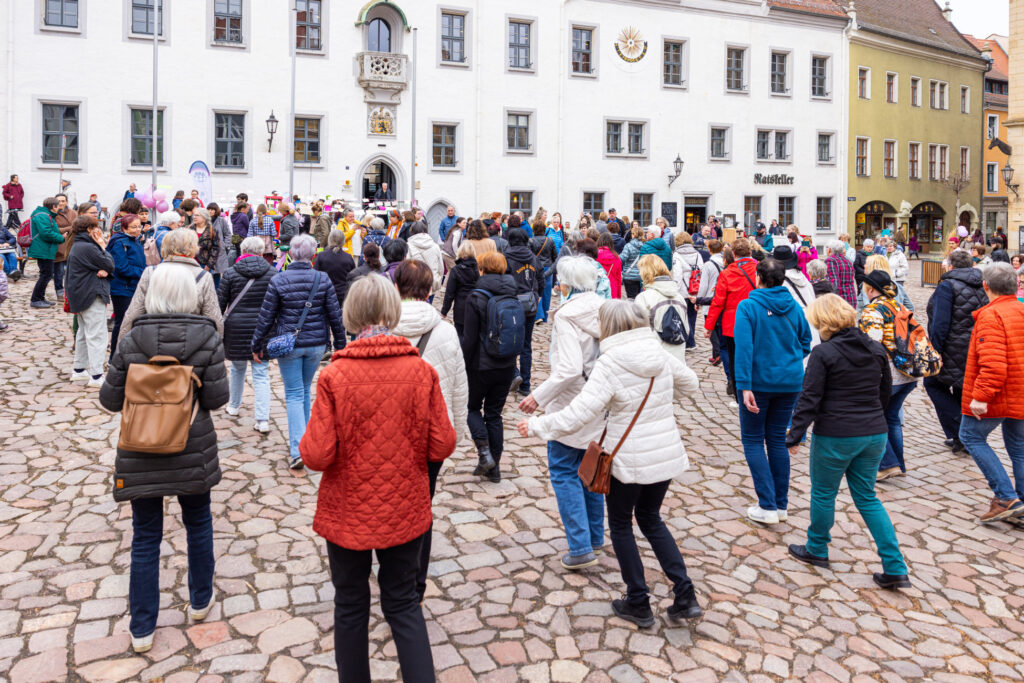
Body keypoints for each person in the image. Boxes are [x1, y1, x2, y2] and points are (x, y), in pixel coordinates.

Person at [299, 274, 453, 683]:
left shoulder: (335, 376)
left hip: (347, 508)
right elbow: (442, 444)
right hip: (404, 505)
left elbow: (316, 455)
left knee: (350, 604)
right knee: (403, 604)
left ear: (351, 315)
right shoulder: (420, 371)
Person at [519, 300, 702, 624]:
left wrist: (537, 426)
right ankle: (685, 594)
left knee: (620, 524)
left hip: (629, 459)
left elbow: (579, 414)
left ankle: (638, 600)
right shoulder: (658, 354)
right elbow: (691, 384)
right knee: (651, 519)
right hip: (664, 452)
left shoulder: (612, 362)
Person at [99, 265, 228, 653]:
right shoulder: (206, 334)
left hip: (142, 447)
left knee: (145, 536)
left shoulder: (133, 336)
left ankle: (142, 627)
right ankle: (201, 600)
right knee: (199, 523)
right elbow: (217, 400)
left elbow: (108, 399)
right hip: (190, 444)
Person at [785, 294, 911, 589]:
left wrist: (795, 435)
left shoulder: (824, 353)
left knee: (824, 493)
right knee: (867, 497)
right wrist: (874, 418)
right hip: (873, 433)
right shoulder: (875, 348)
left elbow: (810, 398)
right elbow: (885, 391)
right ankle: (895, 566)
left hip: (836, 434)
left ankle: (817, 548)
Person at [519, 256, 604, 569]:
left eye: (559, 280)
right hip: (600, 398)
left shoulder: (568, 315)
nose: (556, 285)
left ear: (566, 283)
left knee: (565, 470)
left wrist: (537, 398)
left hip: (572, 401)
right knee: (592, 468)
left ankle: (581, 546)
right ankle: (595, 536)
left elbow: (568, 369)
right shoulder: (605, 306)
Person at [391, 260, 468, 600]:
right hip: (430, 431)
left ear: (396, 288)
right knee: (423, 502)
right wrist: (457, 430)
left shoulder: (380, 326)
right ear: (429, 290)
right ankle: (415, 583)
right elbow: (458, 387)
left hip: (388, 433)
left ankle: (391, 569)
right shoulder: (446, 331)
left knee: (387, 498)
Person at [251, 235, 346, 469]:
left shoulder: (279, 279)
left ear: (291, 254)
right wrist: (341, 345)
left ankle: (297, 450)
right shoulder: (322, 279)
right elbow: (335, 315)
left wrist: (257, 344)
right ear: (313, 254)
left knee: (294, 393)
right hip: (315, 344)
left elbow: (266, 316)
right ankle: (305, 443)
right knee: (303, 391)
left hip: (290, 345)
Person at [733, 258, 812, 524]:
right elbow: (805, 342)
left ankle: (767, 505)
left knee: (753, 440)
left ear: (758, 277)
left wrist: (744, 386)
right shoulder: (794, 306)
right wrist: (788, 361)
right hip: (790, 382)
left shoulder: (748, 306)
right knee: (777, 440)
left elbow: (743, 349)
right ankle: (780, 505)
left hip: (759, 383)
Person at [957, 263, 1024, 522]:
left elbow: (994, 363)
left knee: (970, 436)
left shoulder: (991, 315)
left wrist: (981, 396)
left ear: (986, 286)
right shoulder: (1020, 308)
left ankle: (1006, 497)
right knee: (1018, 447)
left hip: (1000, 391)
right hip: (1018, 389)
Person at [461, 251, 519, 483]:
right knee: (494, 415)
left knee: (471, 408)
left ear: (482, 269)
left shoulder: (475, 297)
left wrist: (463, 366)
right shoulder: (512, 293)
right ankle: (494, 469)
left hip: (480, 366)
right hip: (506, 363)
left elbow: (469, 339)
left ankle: (485, 454)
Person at [858, 269, 917, 481]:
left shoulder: (872, 311)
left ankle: (886, 464)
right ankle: (898, 463)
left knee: (873, 418)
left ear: (871, 288)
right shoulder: (897, 305)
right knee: (891, 418)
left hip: (888, 374)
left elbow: (871, 347)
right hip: (907, 372)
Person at [218, 236, 276, 433]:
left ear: (243, 251)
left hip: (236, 327)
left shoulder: (231, 273)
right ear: (261, 252)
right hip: (263, 327)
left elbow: (220, 304)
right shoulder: (272, 273)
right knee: (261, 373)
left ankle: (234, 405)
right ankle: (262, 419)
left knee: (237, 367)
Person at [120, 228, 224, 338]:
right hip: (191, 340)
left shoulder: (151, 272)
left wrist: (121, 345)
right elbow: (214, 318)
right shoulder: (203, 276)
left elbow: (133, 313)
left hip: (153, 339)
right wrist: (216, 345)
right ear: (193, 248)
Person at [705, 238, 758, 401]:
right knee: (755, 356)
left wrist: (709, 325)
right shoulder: (758, 269)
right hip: (756, 320)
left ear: (733, 254)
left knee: (735, 359)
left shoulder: (727, 272)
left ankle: (737, 394)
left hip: (732, 323)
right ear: (750, 252)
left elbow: (718, 301)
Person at [66, 215, 115, 387]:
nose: (99, 230)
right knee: (97, 334)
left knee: (83, 332)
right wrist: (102, 246)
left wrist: (106, 270)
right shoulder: (88, 247)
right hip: (90, 293)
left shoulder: (79, 245)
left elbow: (105, 267)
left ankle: (79, 370)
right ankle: (96, 375)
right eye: (96, 227)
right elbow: (109, 263)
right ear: (89, 229)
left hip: (81, 293)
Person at [504, 228, 543, 397]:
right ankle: (525, 384)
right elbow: (540, 278)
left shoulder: (506, 258)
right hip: (530, 304)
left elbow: (504, 279)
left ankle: (514, 374)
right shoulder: (533, 258)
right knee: (526, 344)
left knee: (510, 341)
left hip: (512, 303)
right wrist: (538, 295)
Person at [635, 254, 690, 363]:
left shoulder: (644, 298)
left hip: (654, 359)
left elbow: (639, 333)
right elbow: (686, 330)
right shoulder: (679, 298)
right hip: (678, 359)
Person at [107, 213, 147, 359]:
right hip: (122, 287)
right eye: (134, 227)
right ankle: (114, 357)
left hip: (133, 285)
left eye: (139, 226)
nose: (138, 229)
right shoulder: (119, 242)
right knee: (122, 322)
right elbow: (122, 267)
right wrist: (143, 273)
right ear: (124, 228)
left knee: (132, 321)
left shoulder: (134, 240)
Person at [316, 229, 357, 350]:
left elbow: (316, 274)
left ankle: (327, 346)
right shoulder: (348, 258)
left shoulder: (322, 256)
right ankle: (340, 345)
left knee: (325, 320)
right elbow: (352, 276)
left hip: (325, 292)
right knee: (340, 320)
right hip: (342, 293)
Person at [670, 233, 703, 348]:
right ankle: (691, 341)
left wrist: (675, 290)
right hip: (695, 290)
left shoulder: (677, 255)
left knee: (683, 316)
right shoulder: (697, 254)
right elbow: (701, 271)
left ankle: (689, 342)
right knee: (692, 316)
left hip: (683, 291)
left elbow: (677, 275)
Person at [440, 241, 478, 338]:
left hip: (460, 308)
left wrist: (444, 311)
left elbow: (450, 293)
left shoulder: (456, 270)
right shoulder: (477, 269)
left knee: (460, 336)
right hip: (475, 306)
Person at [529, 222, 558, 322]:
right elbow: (555, 257)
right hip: (547, 269)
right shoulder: (550, 241)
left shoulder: (531, 241)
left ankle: (538, 315)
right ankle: (545, 316)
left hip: (535, 268)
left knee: (536, 290)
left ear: (534, 230)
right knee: (546, 293)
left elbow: (529, 257)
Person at [406, 221, 444, 299]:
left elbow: (407, 266)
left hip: (416, 281)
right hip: (431, 280)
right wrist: (438, 278)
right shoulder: (435, 246)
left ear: (412, 231)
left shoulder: (408, 246)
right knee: (429, 303)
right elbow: (441, 267)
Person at [52, 194, 77, 301]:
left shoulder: (73, 213)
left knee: (72, 272)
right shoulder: (53, 214)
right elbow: (54, 229)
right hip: (59, 246)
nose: (61, 203)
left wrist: (66, 229)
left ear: (66, 202)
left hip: (72, 245)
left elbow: (78, 226)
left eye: (63, 201)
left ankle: (71, 292)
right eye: (59, 201)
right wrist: (70, 228)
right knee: (59, 272)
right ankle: (60, 292)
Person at [192, 208, 222, 288]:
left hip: (204, 265)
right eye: (194, 215)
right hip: (190, 264)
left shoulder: (212, 231)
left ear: (204, 218)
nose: (194, 217)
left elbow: (216, 249)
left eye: (197, 215)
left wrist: (208, 266)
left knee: (203, 288)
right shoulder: (189, 229)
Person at [825, 239, 857, 308]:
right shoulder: (847, 261)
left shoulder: (831, 260)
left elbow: (834, 283)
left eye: (827, 247)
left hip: (840, 301)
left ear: (830, 249)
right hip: (851, 298)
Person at [619, 225, 647, 300]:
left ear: (634, 235)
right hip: (641, 275)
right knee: (639, 298)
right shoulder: (645, 246)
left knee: (631, 298)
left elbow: (622, 258)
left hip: (629, 275)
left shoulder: (628, 246)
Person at [596, 233, 623, 299]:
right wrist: (618, 296)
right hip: (612, 288)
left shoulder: (595, 256)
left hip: (598, 288)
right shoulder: (616, 257)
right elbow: (618, 278)